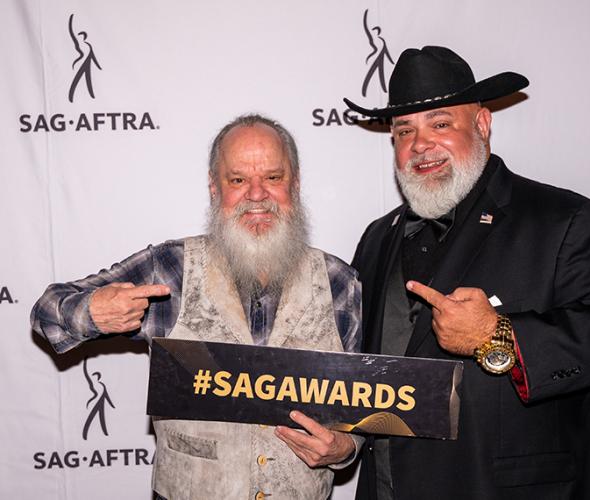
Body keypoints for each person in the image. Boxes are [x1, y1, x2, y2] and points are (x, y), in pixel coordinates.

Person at [344, 46, 590, 499]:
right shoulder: (378, 237)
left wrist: (499, 336)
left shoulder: (563, 219)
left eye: (441, 123)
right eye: (404, 130)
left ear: (483, 124)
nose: (421, 144)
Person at [31, 114, 363, 500]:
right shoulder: (171, 268)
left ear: (296, 183)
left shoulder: (340, 281)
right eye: (237, 180)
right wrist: (90, 311)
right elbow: (46, 312)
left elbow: (354, 412)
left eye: (273, 177)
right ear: (214, 188)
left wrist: (344, 449)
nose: (257, 194)